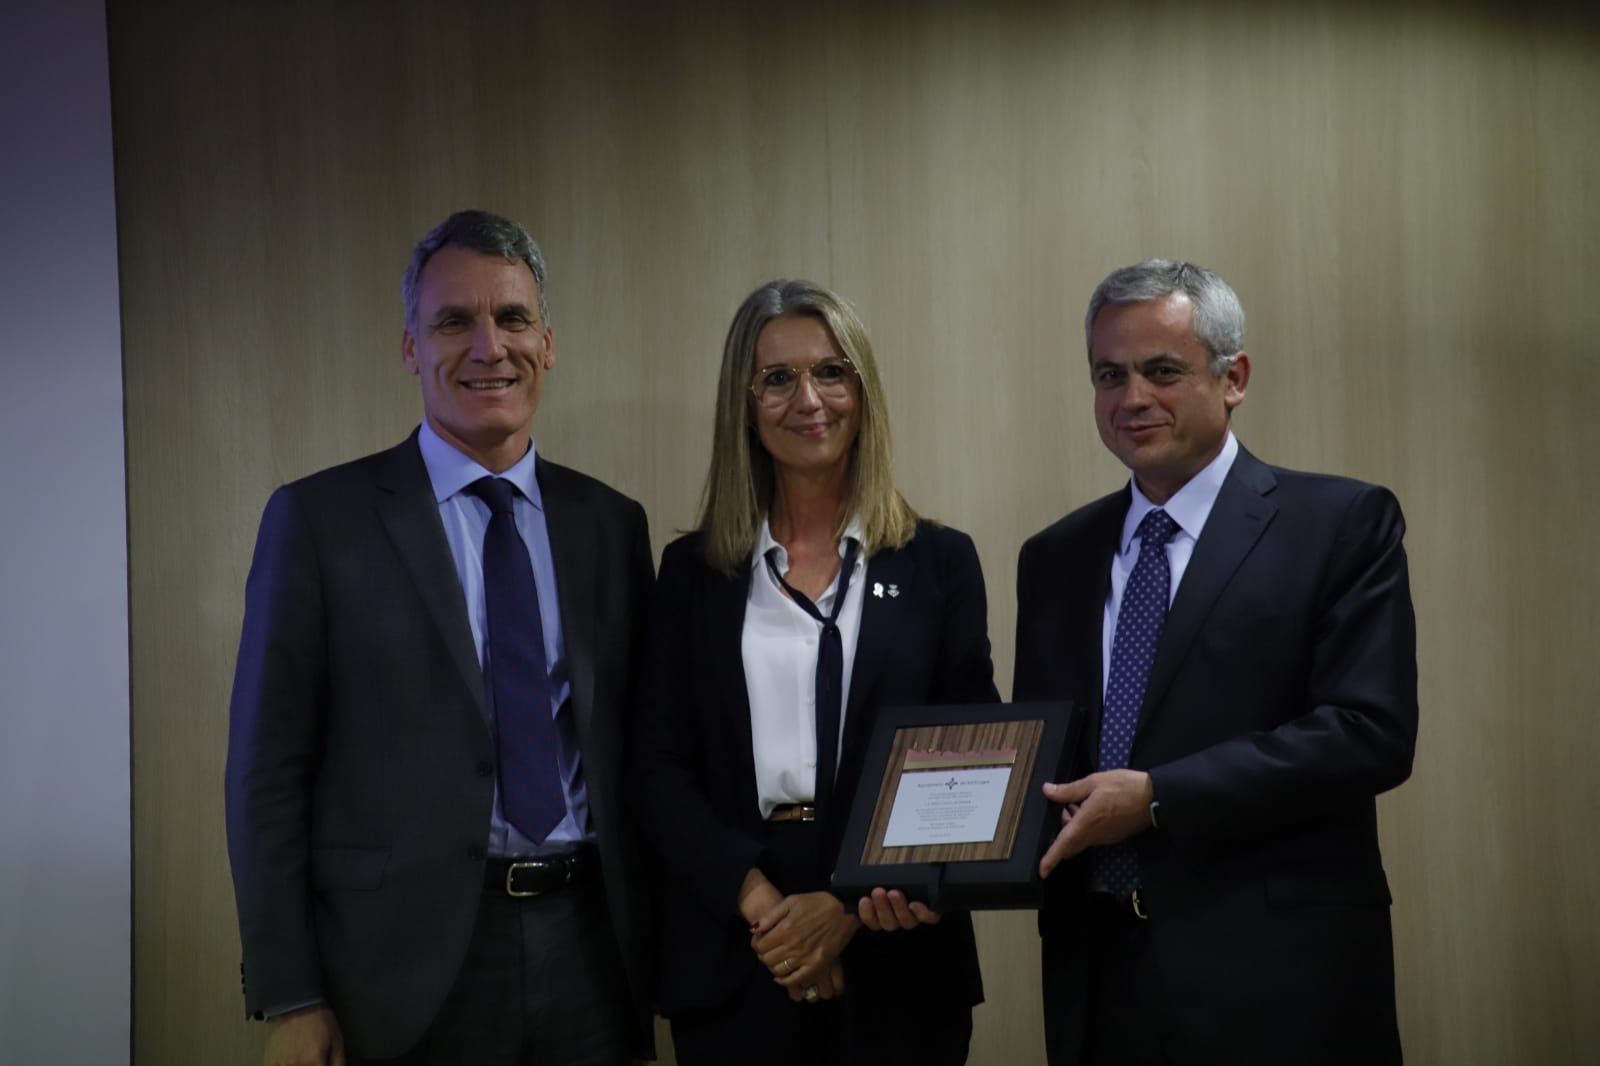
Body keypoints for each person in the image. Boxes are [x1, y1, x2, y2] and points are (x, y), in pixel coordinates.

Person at [225, 209, 655, 1066]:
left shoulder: (610, 524)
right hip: (401, 972)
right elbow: (266, 770)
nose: (489, 347)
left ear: (549, 343)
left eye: (513, 318)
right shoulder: (319, 521)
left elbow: (641, 746)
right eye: (454, 321)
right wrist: (291, 993)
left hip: (593, 961)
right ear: (411, 348)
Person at [1014, 260, 1417, 1066]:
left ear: (1233, 377)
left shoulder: (1338, 523)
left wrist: (1159, 798)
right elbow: (1042, 756)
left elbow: (1368, 733)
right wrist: (928, 866)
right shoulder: (1054, 556)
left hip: (1277, 980)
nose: (1132, 399)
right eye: (1109, 375)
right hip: (1099, 980)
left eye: (1162, 371)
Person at [631, 280, 998, 1065]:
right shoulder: (692, 574)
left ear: (863, 393)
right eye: (777, 378)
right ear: (744, 401)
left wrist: (846, 910)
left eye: (832, 372)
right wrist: (766, 909)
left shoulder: (940, 564)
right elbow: (656, 767)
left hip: (899, 949)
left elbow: (971, 761)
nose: (810, 399)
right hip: (738, 946)